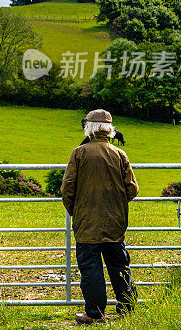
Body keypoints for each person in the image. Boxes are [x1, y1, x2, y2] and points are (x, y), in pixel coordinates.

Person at [62, 109, 139, 325]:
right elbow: (132, 189)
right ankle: (127, 308)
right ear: (109, 130)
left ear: (89, 128)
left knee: (90, 267)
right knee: (119, 264)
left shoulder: (79, 153)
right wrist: (117, 205)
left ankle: (94, 314)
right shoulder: (120, 154)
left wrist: (76, 211)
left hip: (87, 223)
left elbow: (67, 189)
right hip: (115, 222)